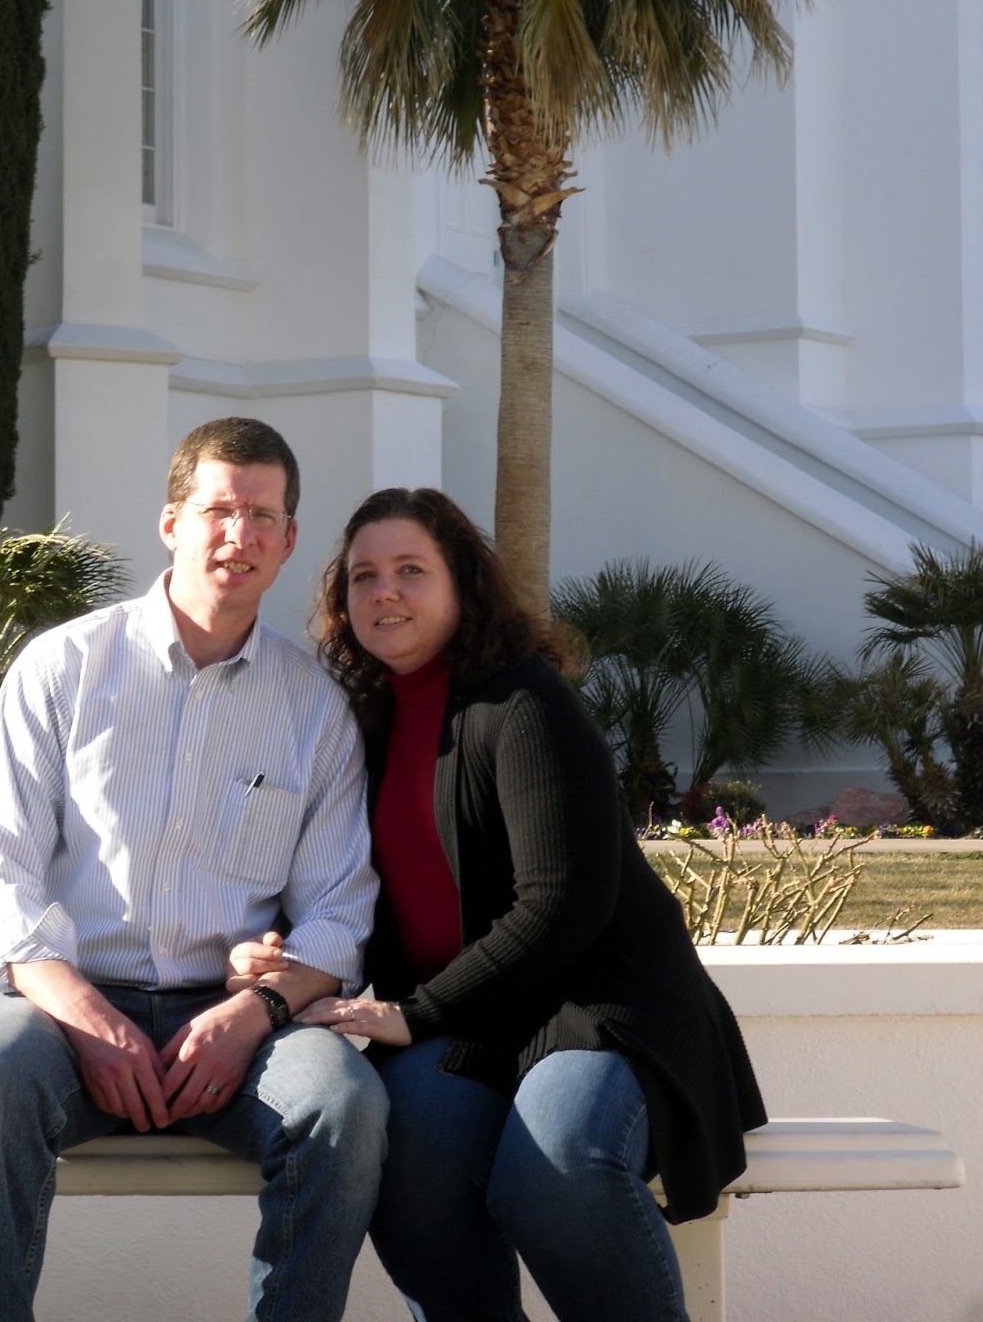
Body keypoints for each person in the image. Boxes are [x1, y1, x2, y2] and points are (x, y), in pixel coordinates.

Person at [232, 487, 767, 1322]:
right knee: (404, 1160)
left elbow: (561, 905)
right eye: (364, 576)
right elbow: (340, 880)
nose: (385, 591)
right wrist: (279, 945)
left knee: (554, 1166)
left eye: (412, 570)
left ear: (463, 586)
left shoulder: (525, 704)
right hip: (474, 1024)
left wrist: (415, 1013)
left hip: (597, 1007)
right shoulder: (360, 724)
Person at [0, 417, 387, 1322]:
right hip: (63, 1011)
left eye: (263, 516)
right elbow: (0, 876)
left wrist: (252, 1014)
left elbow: (339, 913)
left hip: (236, 1023)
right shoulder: (63, 669)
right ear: (172, 522)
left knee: (343, 1102)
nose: (239, 534)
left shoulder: (314, 708)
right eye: (219, 509)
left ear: (289, 538)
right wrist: (87, 1015)